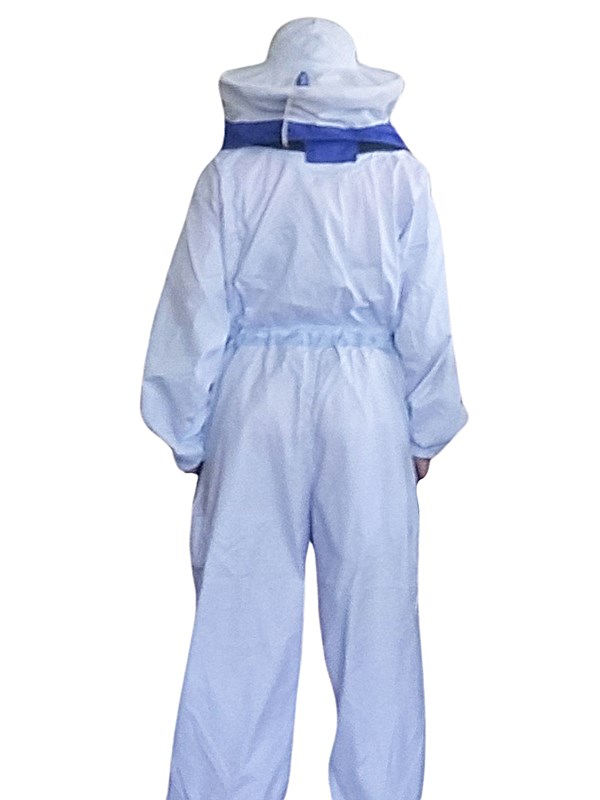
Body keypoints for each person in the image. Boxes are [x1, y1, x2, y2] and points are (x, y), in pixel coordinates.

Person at [140, 16, 468, 800]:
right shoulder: (400, 176)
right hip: (369, 403)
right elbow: (424, 311)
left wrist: (189, 429)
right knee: (377, 628)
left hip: (253, 400)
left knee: (239, 625)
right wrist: (426, 423)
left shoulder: (230, 175)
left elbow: (194, 306)